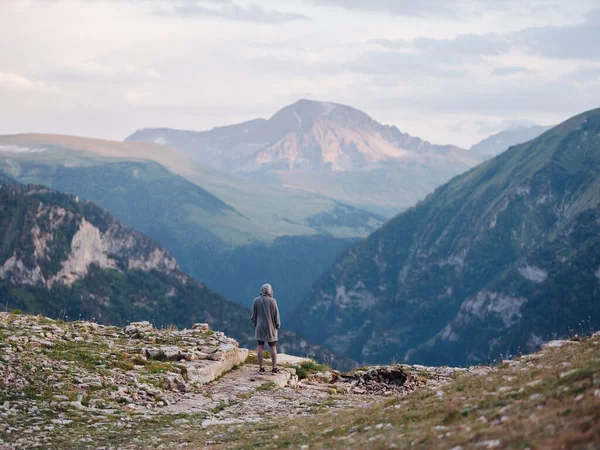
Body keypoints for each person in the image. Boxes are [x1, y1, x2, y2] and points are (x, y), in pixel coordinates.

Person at [251, 283, 281, 373]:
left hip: (260, 327)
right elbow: (276, 316)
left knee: (260, 347)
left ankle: (261, 367)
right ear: (270, 291)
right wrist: (277, 325)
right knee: (273, 347)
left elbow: (254, 316)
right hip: (271, 327)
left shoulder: (256, 301)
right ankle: (274, 367)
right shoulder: (273, 301)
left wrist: (255, 324)